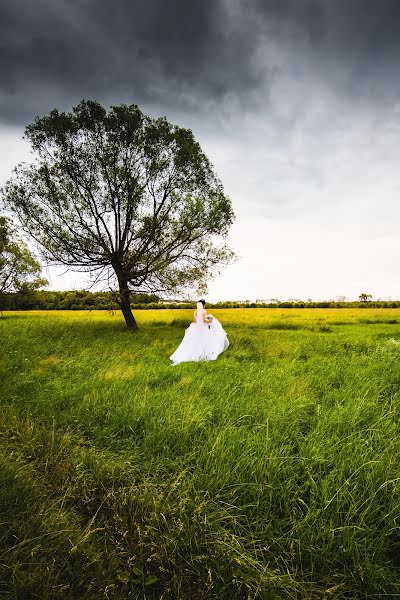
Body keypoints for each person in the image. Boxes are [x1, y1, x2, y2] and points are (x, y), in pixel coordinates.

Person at [169, 299, 229, 365]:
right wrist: (210, 320)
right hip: (202, 327)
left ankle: (189, 352)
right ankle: (204, 353)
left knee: (191, 341)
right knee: (204, 340)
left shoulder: (195, 311)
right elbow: (203, 320)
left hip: (194, 327)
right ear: (204, 305)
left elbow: (195, 321)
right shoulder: (204, 311)